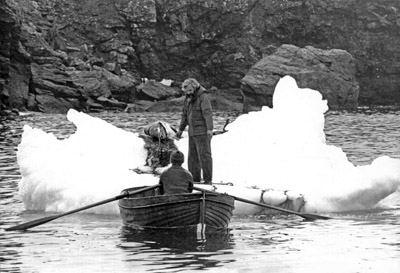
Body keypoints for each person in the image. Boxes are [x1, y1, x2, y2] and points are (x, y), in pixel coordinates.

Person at [175, 78, 213, 185]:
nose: (188, 93)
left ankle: (208, 180)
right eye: (186, 91)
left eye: (190, 90)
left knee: (205, 156)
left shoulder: (203, 97)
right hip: (192, 132)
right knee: (192, 158)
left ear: (195, 87)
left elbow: (207, 113)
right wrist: (180, 130)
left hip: (202, 132)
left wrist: (210, 129)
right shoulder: (187, 99)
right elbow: (184, 116)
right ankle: (194, 179)